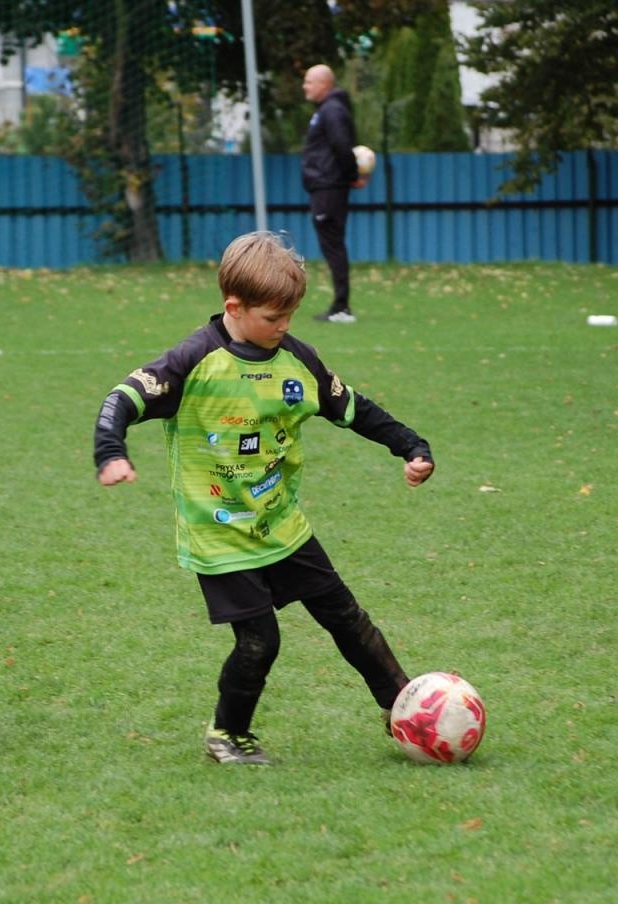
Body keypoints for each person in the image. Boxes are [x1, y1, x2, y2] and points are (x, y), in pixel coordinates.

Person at [93, 231, 434, 765]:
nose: (284, 328)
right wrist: (110, 452)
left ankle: (405, 709)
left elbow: (354, 408)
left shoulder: (296, 358)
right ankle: (227, 735)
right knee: (259, 641)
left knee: (347, 616)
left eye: (290, 317)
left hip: (281, 523)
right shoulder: (193, 361)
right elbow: (121, 398)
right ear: (234, 306)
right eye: (274, 319)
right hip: (219, 531)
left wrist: (410, 446)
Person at [300, 63, 366, 324]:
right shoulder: (325, 111)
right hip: (324, 186)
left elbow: (342, 145)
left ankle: (341, 307)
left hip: (329, 186)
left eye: (309, 81)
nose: (305, 86)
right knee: (332, 244)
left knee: (333, 244)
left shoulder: (333, 110)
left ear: (324, 84)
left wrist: (351, 176)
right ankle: (340, 305)